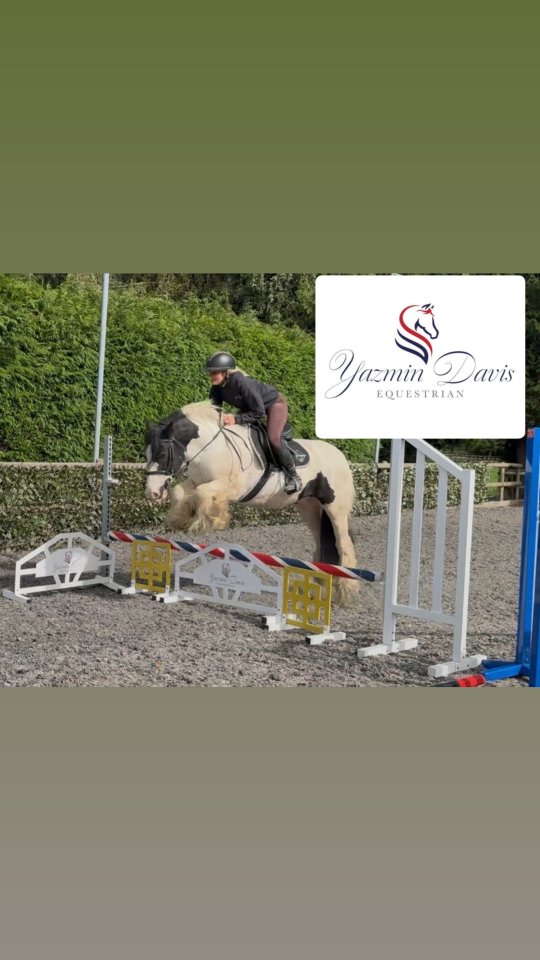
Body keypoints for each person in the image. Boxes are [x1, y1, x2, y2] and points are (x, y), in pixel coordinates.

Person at [204, 351, 303, 494]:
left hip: (274, 404)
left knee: (273, 438)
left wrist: (236, 419)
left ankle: (293, 476)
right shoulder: (216, 387)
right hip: (251, 407)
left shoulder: (241, 382)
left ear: (226, 372)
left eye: (214, 372)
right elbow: (214, 408)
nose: (211, 376)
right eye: (210, 373)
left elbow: (259, 412)